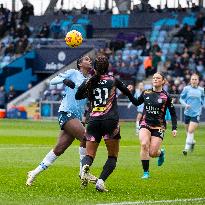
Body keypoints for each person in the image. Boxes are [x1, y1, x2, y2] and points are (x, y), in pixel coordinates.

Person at [26, 56, 97, 186]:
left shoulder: (89, 81)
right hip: (66, 113)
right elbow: (53, 80)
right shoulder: (73, 73)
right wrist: (64, 80)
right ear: (80, 64)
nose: (90, 61)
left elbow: (87, 104)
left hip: (76, 118)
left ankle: (34, 172)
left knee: (58, 149)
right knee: (86, 137)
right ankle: (83, 172)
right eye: (87, 59)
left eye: (90, 59)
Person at [75, 55, 139, 192]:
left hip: (93, 121)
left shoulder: (89, 81)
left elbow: (78, 96)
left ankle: (85, 168)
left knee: (89, 155)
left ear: (94, 68)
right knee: (112, 156)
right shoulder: (113, 80)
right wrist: (134, 95)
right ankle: (101, 181)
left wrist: (90, 92)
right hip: (110, 121)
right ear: (107, 67)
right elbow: (129, 95)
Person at [134, 72, 177, 179]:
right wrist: (128, 92)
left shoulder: (166, 96)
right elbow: (136, 102)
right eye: (153, 78)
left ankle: (160, 153)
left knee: (152, 153)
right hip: (145, 123)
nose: (155, 79)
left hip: (159, 126)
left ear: (163, 81)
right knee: (144, 145)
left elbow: (173, 113)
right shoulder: (146, 92)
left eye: (158, 78)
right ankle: (146, 173)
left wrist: (174, 128)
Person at [180, 73, 204, 156]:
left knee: (190, 130)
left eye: (195, 79)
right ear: (190, 80)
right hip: (187, 113)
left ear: (198, 81)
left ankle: (186, 149)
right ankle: (192, 142)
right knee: (188, 131)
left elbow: (203, 99)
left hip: (196, 113)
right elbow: (181, 98)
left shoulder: (201, 90)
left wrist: (203, 104)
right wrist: (185, 105)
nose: (194, 81)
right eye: (192, 79)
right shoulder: (186, 89)